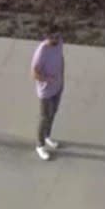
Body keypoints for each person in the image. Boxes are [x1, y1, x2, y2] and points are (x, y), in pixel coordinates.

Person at [31, 27, 65, 161]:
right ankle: (40, 145)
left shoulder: (60, 42)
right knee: (44, 116)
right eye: (53, 37)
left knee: (53, 112)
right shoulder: (41, 51)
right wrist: (48, 79)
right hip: (45, 91)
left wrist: (62, 77)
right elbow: (34, 73)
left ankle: (47, 136)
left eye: (58, 36)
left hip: (58, 86)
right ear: (47, 37)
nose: (56, 39)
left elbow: (61, 58)